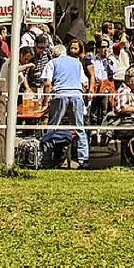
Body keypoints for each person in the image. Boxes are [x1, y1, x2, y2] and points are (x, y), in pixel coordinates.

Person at [42, 37, 90, 169]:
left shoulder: (52, 63)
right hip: (76, 94)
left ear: (54, 54)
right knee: (80, 128)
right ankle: (84, 160)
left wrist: (46, 102)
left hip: (60, 94)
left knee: (52, 127)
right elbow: (85, 83)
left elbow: (47, 83)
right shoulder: (77, 62)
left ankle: (46, 159)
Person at [113, 64, 134, 170]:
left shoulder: (131, 91)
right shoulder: (124, 91)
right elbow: (122, 108)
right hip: (127, 125)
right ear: (133, 81)